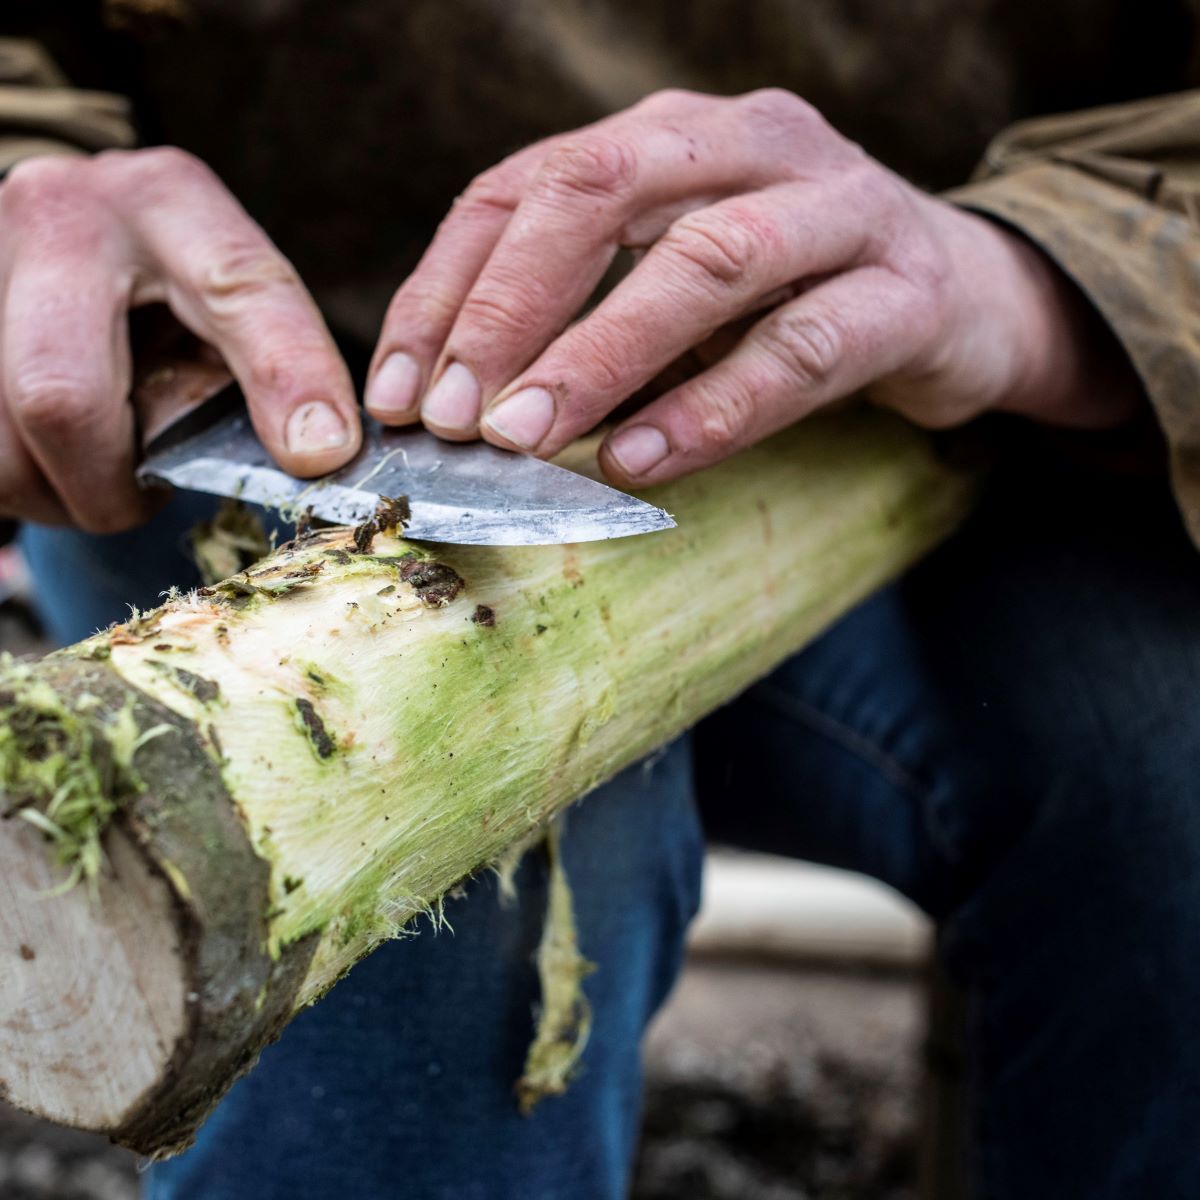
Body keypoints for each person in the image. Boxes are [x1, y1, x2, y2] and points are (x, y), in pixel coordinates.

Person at [3, 2, 1200, 1195]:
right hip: (260, 379)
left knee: (1165, 774)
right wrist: (27, 175)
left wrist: (1034, 271)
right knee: (408, 829)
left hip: (976, 401)